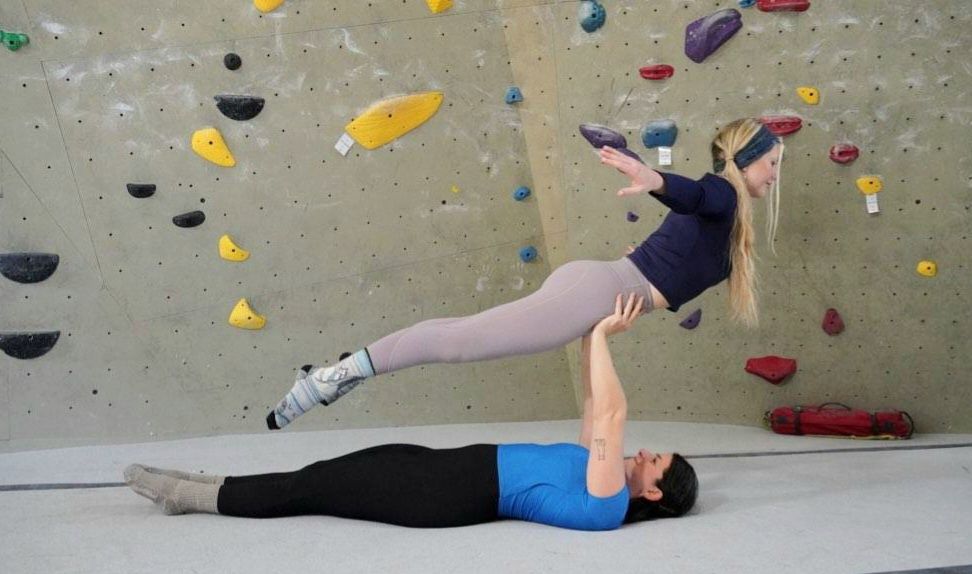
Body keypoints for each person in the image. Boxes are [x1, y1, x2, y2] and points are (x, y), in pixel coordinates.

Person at [267, 118, 784, 429]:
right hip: (599, 292)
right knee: (463, 341)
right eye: (772, 165)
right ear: (747, 161)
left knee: (467, 337)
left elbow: (681, 246)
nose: (775, 176)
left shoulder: (727, 217)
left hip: (604, 288)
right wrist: (652, 179)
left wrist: (649, 258)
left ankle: (345, 369)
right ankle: (336, 375)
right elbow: (695, 193)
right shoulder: (724, 194)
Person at [125, 294, 698, 530]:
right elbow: (596, 402)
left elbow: (611, 417)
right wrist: (585, 328)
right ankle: (205, 483)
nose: (645, 454)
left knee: (310, 491)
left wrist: (603, 333)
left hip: (441, 495)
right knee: (316, 476)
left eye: (655, 462)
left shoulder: (606, 502)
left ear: (653, 492)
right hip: (441, 468)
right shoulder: (599, 469)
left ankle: (190, 498)